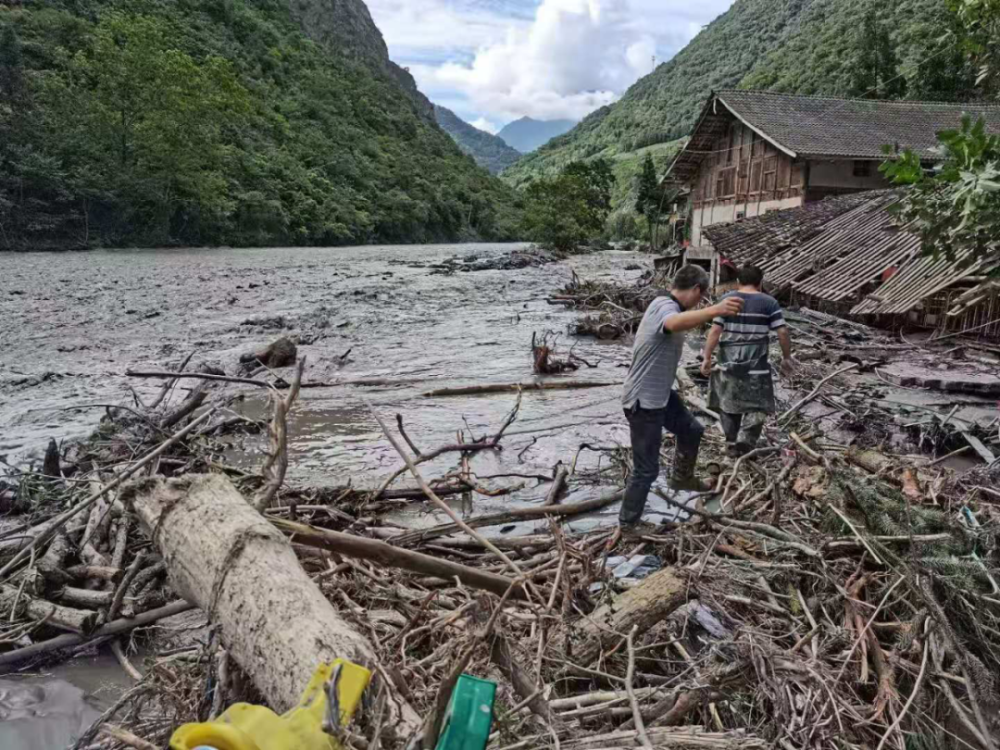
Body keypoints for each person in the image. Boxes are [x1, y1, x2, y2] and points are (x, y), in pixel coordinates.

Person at [619, 265, 744, 531]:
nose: (700, 303)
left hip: (661, 396)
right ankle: (628, 525)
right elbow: (671, 324)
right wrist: (716, 310)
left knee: (692, 429)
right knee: (646, 470)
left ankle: (681, 478)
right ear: (696, 290)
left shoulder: (670, 306)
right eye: (701, 298)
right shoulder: (665, 305)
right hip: (642, 402)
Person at [701, 264, 793, 458]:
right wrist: (786, 357)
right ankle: (747, 441)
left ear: (737, 282)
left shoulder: (726, 300)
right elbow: (782, 331)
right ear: (760, 283)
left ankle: (731, 442)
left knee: (728, 403)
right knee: (758, 405)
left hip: (728, 364)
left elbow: (715, 331)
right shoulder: (769, 303)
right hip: (757, 366)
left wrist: (707, 357)